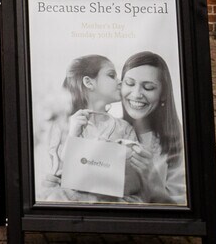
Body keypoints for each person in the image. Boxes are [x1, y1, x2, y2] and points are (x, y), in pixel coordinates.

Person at [41, 54, 136, 202]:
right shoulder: (61, 125)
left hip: (108, 205)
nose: (120, 82)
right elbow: (53, 174)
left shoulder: (124, 129)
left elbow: (134, 180)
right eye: (112, 75)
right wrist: (72, 135)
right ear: (89, 82)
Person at [119, 51, 187, 205]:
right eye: (129, 83)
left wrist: (152, 179)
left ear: (163, 94)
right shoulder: (107, 128)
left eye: (148, 87)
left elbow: (180, 208)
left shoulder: (178, 140)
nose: (136, 94)